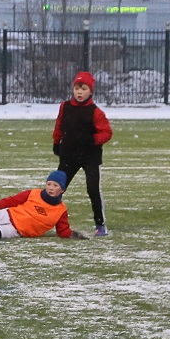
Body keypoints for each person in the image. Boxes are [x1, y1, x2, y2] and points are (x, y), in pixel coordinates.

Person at [53, 71, 113, 236]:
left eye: (84, 89)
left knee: (93, 189)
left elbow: (107, 133)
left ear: (90, 91)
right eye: (77, 88)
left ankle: (100, 225)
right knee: (56, 188)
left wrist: (92, 139)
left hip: (90, 157)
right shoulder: (65, 107)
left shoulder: (96, 112)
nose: (79, 92)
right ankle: (48, 220)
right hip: (69, 155)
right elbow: (59, 125)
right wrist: (56, 142)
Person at [0, 170, 88, 240]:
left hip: (15, 230)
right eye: (49, 184)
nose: (51, 188)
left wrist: (73, 234)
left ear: (62, 190)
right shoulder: (32, 193)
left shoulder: (61, 210)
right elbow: (10, 201)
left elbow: (62, 231)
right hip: (7, 214)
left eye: (55, 186)